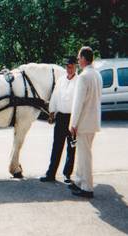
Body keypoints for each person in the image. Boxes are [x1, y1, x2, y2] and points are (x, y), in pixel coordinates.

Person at [69, 46, 102, 198]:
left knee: (85, 155)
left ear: (83, 58)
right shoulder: (97, 74)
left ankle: (87, 188)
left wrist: (73, 124)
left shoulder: (83, 76)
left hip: (83, 123)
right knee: (83, 154)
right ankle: (80, 181)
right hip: (93, 122)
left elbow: (78, 103)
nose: (77, 60)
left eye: (78, 57)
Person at [40, 57, 78, 184]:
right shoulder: (61, 80)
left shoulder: (79, 82)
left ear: (75, 66)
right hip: (61, 117)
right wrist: (52, 113)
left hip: (72, 118)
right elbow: (55, 97)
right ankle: (51, 174)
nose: (69, 69)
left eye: (71, 66)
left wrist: (76, 122)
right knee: (56, 146)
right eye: (67, 66)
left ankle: (67, 175)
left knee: (71, 148)